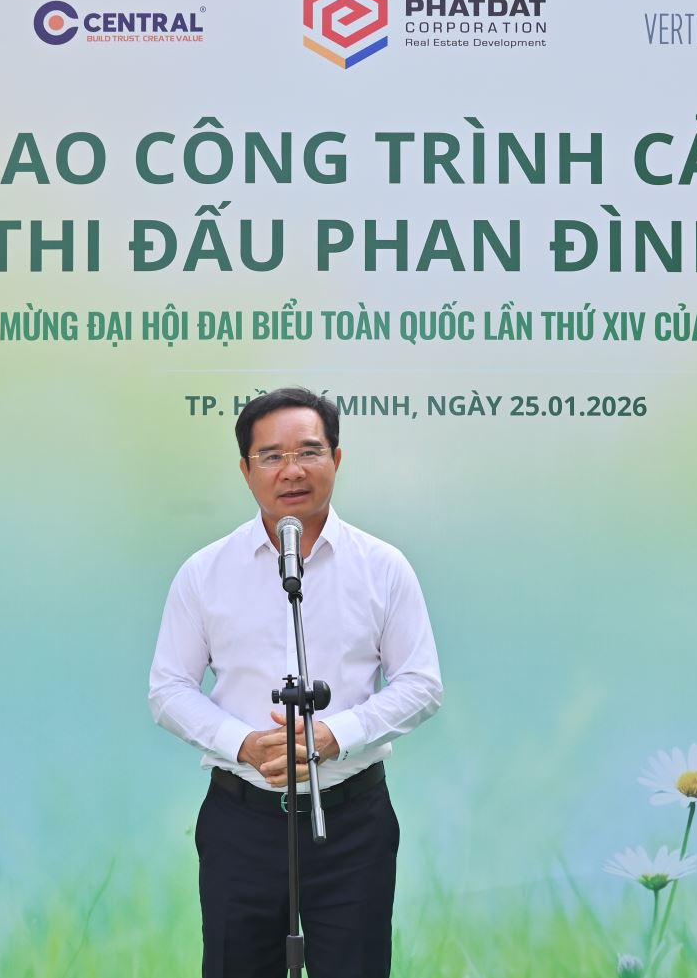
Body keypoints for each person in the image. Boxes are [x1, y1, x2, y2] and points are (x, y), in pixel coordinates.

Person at [149, 387, 443, 978]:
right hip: (242, 821)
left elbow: (420, 683)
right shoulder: (205, 572)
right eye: (271, 456)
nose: (292, 471)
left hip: (351, 822)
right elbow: (169, 688)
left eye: (309, 451)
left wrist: (335, 736)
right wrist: (243, 744)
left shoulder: (383, 567)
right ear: (245, 469)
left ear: (337, 458)